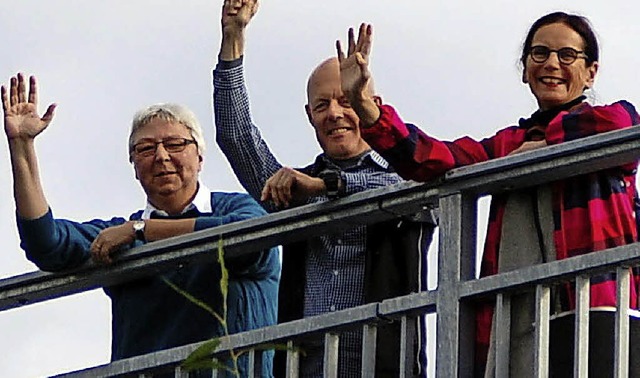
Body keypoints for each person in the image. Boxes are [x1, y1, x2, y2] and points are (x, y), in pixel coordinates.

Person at [337, 12, 640, 377]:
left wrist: (544, 148)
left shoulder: (610, 120)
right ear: (525, 68)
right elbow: (432, 159)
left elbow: (624, 124)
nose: (552, 64)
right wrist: (365, 106)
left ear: (591, 71)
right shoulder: (507, 145)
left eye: (567, 55)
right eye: (540, 53)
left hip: (600, 308)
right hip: (521, 318)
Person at [3, 73, 280, 377]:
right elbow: (46, 243)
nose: (161, 156)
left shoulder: (236, 208)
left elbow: (253, 241)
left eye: (175, 144)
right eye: (145, 149)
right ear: (133, 165)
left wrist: (143, 231)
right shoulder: (117, 235)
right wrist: (21, 146)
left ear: (199, 156)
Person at [212, 1, 435, 376]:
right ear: (309, 115)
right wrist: (233, 39)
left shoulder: (406, 168)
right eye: (322, 105)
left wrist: (324, 185)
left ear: (370, 105)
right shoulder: (294, 189)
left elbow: (402, 190)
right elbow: (236, 138)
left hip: (382, 367)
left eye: (346, 101)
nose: (334, 113)